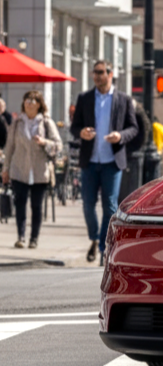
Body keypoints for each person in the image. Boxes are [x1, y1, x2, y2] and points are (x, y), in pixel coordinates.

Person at [70, 60, 139, 264]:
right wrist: (80, 132)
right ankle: (94, 238)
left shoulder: (123, 99)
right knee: (88, 204)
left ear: (110, 74)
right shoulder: (84, 98)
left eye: (101, 72)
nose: (97, 76)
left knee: (109, 206)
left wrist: (120, 135)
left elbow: (133, 128)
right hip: (90, 161)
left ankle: (103, 247)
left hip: (112, 161)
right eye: (95, 72)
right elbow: (75, 128)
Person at [2, 92, 61, 249]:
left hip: (39, 170)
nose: (29, 103)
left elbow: (58, 145)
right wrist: (5, 169)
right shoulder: (17, 122)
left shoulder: (46, 122)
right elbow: (9, 148)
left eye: (33, 100)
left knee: (36, 206)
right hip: (19, 169)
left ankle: (34, 238)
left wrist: (44, 142)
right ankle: (21, 236)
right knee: (20, 203)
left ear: (39, 104)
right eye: (27, 100)